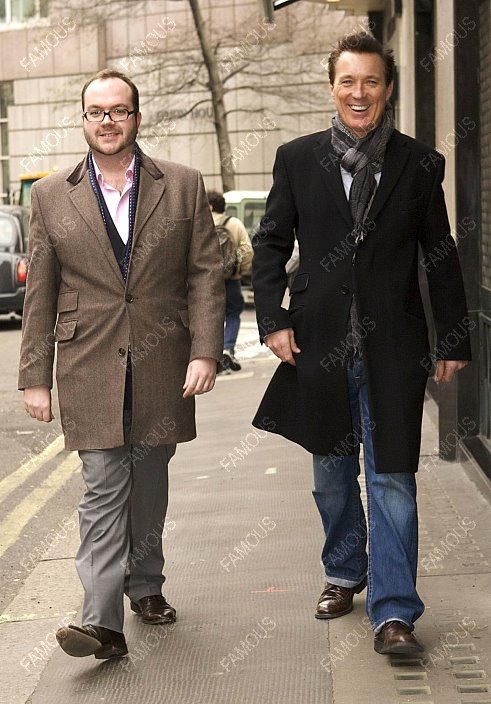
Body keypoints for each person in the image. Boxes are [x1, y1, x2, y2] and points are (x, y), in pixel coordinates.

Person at [251, 32, 471, 655]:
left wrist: (453, 336)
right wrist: (273, 320)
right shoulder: (297, 159)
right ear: (332, 87)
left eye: (371, 81)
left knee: (393, 476)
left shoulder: (422, 164)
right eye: (348, 81)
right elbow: (269, 245)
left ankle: (395, 610)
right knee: (330, 475)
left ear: (389, 89)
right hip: (318, 346)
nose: (359, 93)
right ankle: (345, 571)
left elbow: (441, 253)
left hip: (394, 348)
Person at [18, 69, 225, 660]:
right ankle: (101, 622)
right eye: (96, 112)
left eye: (119, 110)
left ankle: (146, 585)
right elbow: (41, 293)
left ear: (137, 117)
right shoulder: (51, 194)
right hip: (87, 363)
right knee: (103, 486)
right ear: (83, 120)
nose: (107, 121)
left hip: (163, 361)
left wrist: (206, 351)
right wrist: (36, 376)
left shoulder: (181, 185)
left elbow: (205, 274)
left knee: (149, 485)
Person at [207, 190, 253, 373]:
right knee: (233, 313)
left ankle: (212, 355)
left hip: (207, 281)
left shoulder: (201, 223)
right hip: (231, 280)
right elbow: (247, 250)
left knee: (209, 316)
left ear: (209, 206)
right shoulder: (234, 224)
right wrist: (238, 269)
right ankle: (227, 348)